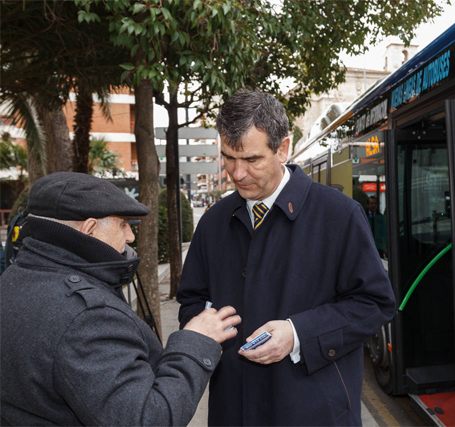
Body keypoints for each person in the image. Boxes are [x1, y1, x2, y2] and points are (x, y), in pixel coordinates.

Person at [177, 90, 395, 426]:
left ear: (283, 148)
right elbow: (191, 300)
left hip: (314, 413)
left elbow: (374, 303)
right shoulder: (212, 222)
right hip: (233, 411)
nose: (237, 174)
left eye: (251, 160)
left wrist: (298, 335)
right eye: (228, 158)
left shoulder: (339, 215)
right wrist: (208, 328)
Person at [0, 172, 241, 426]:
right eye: (122, 224)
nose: (130, 236)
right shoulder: (87, 318)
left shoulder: (14, 280)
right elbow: (148, 419)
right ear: (90, 229)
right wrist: (196, 342)